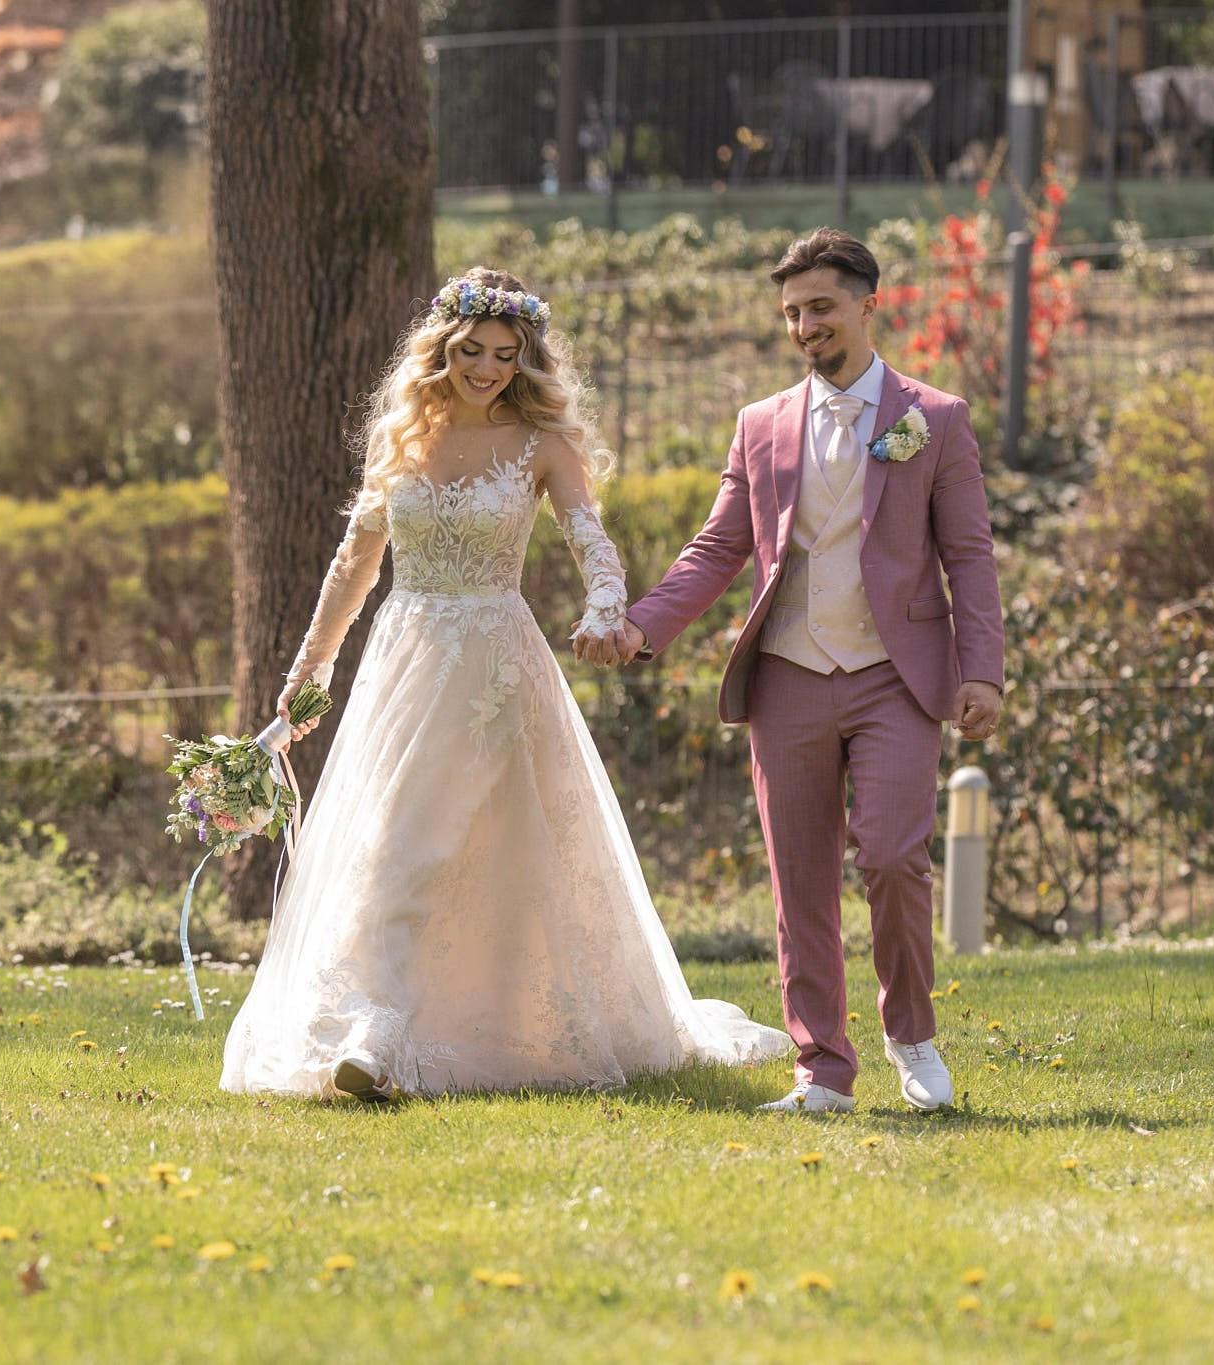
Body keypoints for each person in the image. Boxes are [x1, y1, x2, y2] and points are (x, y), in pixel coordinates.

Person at [220, 269, 791, 1100]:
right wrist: (309, 672)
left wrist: (605, 608)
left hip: (494, 666)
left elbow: (594, 546)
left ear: (525, 359)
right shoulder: (402, 440)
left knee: (455, 845)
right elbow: (353, 565)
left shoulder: (542, 446)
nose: (486, 368)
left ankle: (395, 1033)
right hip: (405, 664)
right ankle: (374, 1030)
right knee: (393, 841)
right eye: (471, 351)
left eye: (504, 354)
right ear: (442, 350)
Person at [581, 228, 1005, 1114]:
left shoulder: (936, 419)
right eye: (790, 313)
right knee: (799, 878)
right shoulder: (761, 425)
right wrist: (640, 626)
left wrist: (983, 671)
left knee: (893, 855)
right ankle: (822, 1068)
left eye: (820, 306)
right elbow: (717, 548)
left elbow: (969, 556)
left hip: (896, 675)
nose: (805, 325)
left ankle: (911, 1033)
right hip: (787, 674)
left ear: (867, 305)